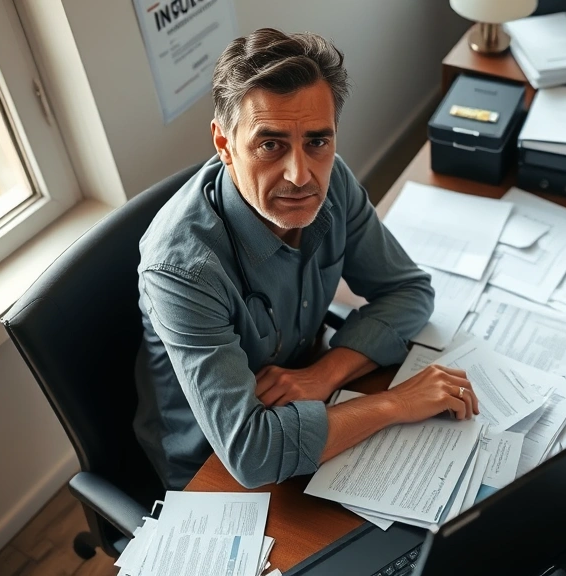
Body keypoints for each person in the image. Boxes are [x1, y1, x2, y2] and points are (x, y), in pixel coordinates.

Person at [133, 28, 479, 490]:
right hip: (210, 470)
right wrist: (396, 404)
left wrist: (323, 375)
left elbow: (409, 290)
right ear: (223, 144)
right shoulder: (180, 270)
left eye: (317, 141)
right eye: (270, 144)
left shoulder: (332, 180)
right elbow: (250, 454)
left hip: (308, 403)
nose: (301, 175)